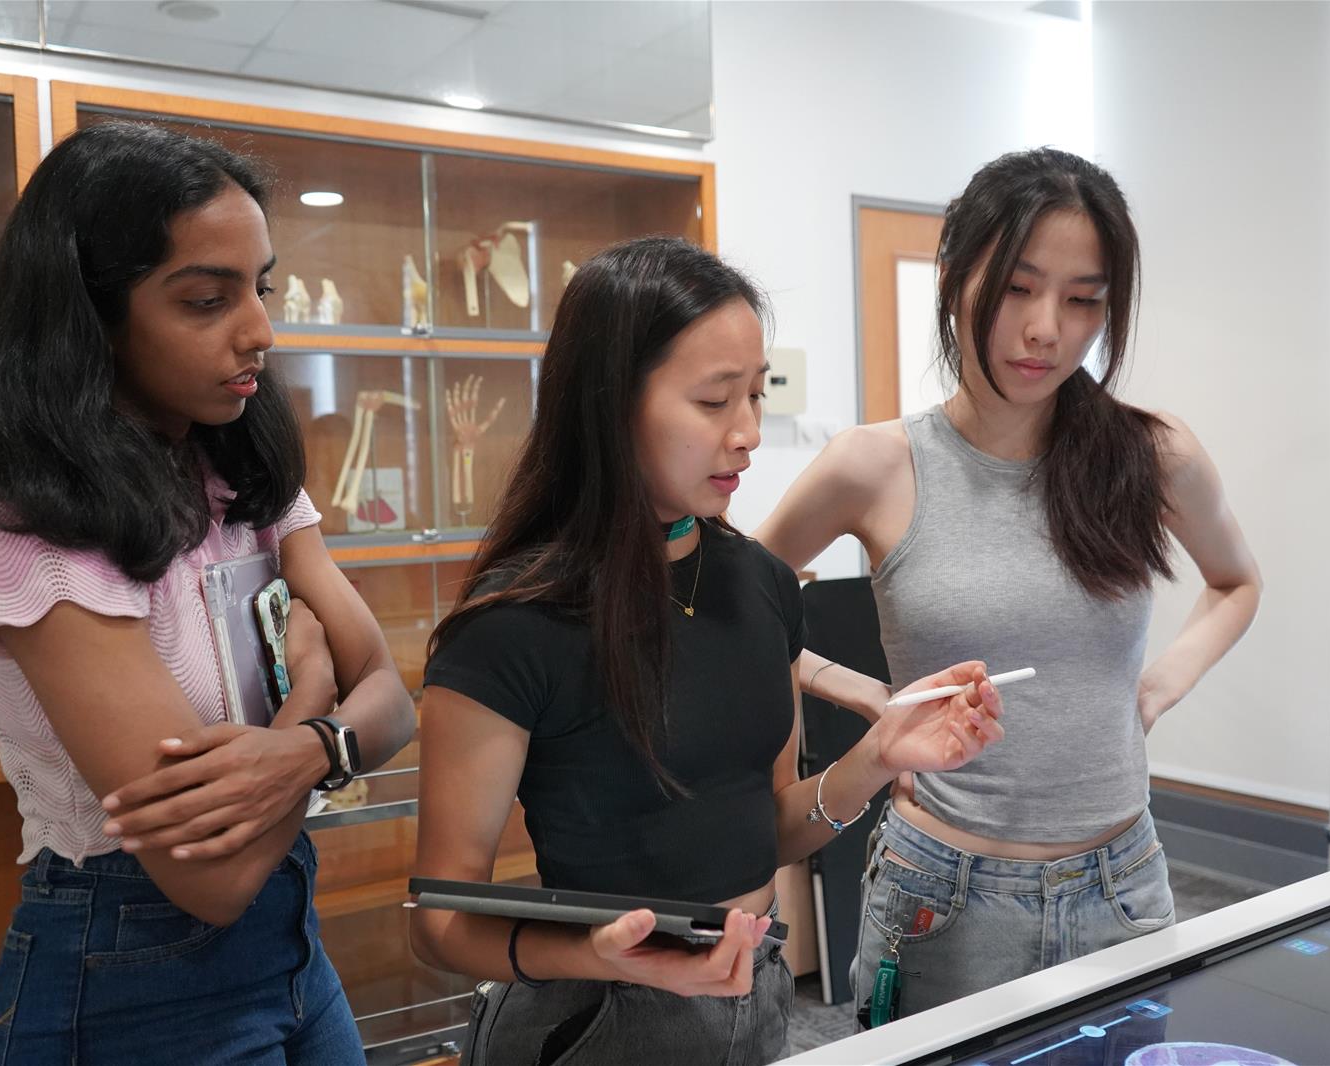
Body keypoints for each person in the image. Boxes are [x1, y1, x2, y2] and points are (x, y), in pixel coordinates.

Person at [406, 236, 1006, 1066]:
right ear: (609, 404)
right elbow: (439, 920)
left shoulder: (759, 583)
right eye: (715, 401)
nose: (750, 433)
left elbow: (763, 833)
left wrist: (875, 755)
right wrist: (595, 952)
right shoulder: (513, 625)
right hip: (596, 1021)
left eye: (756, 395)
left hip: (751, 998)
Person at [0, 121, 417, 1064]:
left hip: (294, 945)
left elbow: (394, 698)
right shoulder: (33, 533)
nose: (260, 329)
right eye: (204, 299)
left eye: (259, 286)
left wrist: (302, 755)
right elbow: (208, 876)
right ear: (91, 314)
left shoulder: (236, 468)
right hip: (127, 975)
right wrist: (315, 707)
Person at [754, 147, 1262, 1020]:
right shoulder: (873, 465)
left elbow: (1236, 582)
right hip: (943, 898)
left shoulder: (1150, 454)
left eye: (1083, 299)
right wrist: (866, 695)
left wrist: (1152, 691)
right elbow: (734, 611)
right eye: (1020, 288)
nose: (1046, 329)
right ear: (955, 280)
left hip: (1124, 887)